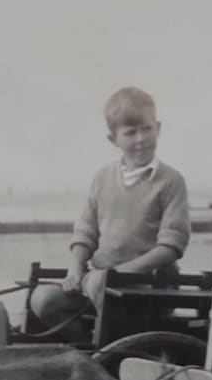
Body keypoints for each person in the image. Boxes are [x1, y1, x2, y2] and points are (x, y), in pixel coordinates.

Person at [28, 86, 191, 340]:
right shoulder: (103, 178)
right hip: (101, 280)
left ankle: (107, 350)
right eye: (130, 133)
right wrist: (75, 269)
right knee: (42, 298)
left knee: (97, 284)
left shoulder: (171, 181)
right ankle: (84, 348)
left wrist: (117, 274)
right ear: (113, 139)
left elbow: (171, 246)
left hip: (151, 286)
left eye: (146, 129)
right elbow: (85, 232)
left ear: (158, 128)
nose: (140, 139)